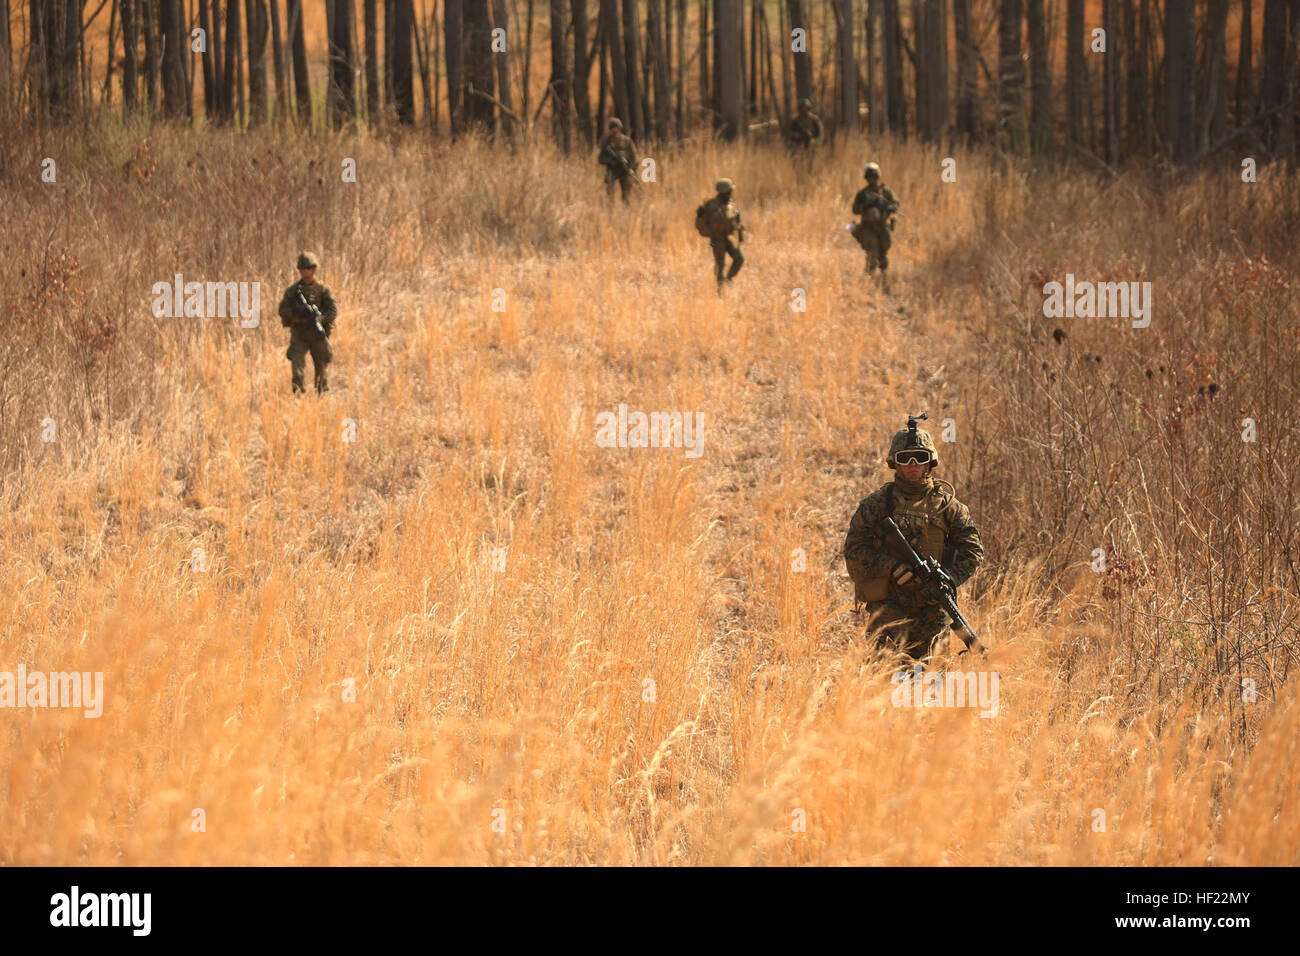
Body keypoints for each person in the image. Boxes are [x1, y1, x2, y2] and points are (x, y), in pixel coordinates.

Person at [843, 415, 983, 660]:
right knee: (883, 688)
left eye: (919, 458)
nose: (912, 464)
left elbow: (973, 551)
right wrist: (891, 567)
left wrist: (948, 579)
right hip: (887, 614)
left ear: (929, 462)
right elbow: (854, 551)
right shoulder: (877, 505)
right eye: (904, 458)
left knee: (933, 689)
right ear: (894, 463)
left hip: (933, 614)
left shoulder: (948, 507)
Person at [277, 252, 337, 394]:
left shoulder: (323, 290)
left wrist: (320, 319)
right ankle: (298, 398)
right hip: (300, 334)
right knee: (297, 369)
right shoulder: (293, 291)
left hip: (318, 335)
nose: (304, 271)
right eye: (302, 269)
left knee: (321, 370)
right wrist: (297, 312)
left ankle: (321, 400)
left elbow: (333, 311)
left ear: (314, 269)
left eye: (307, 268)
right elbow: (282, 309)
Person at [850, 162, 900, 290]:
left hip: (883, 227)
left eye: (874, 176)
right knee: (872, 254)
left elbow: (895, 205)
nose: (873, 179)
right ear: (867, 178)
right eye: (870, 177)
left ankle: (884, 279)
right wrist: (866, 204)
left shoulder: (886, 191)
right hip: (868, 228)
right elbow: (855, 210)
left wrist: (886, 206)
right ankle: (868, 282)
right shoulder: (862, 194)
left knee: (883, 253)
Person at [695, 179, 745, 293]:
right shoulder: (709, 205)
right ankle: (720, 289)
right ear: (723, 192)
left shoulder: (731, 204)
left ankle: (728, 279)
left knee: (740, 258)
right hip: (715, 240)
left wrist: (740, 235)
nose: (731, 193)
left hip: (730, 237)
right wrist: (700, 215)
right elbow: (700, 224)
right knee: (720, 263)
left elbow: (738, 223)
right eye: (729, 191)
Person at [598, 118, 638, 203]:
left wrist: (630, 167)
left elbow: (634, 156)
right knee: (609, 190)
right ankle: (610, 209)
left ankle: (625, 210)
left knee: (626, 193)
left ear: (619, 127)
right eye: (612, 127)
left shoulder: (627, 141)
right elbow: (601, 159)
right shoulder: (607, 142)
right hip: (612, 170)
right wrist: (611, 161)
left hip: (624, 169)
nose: (614, 129)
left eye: (615, 127)